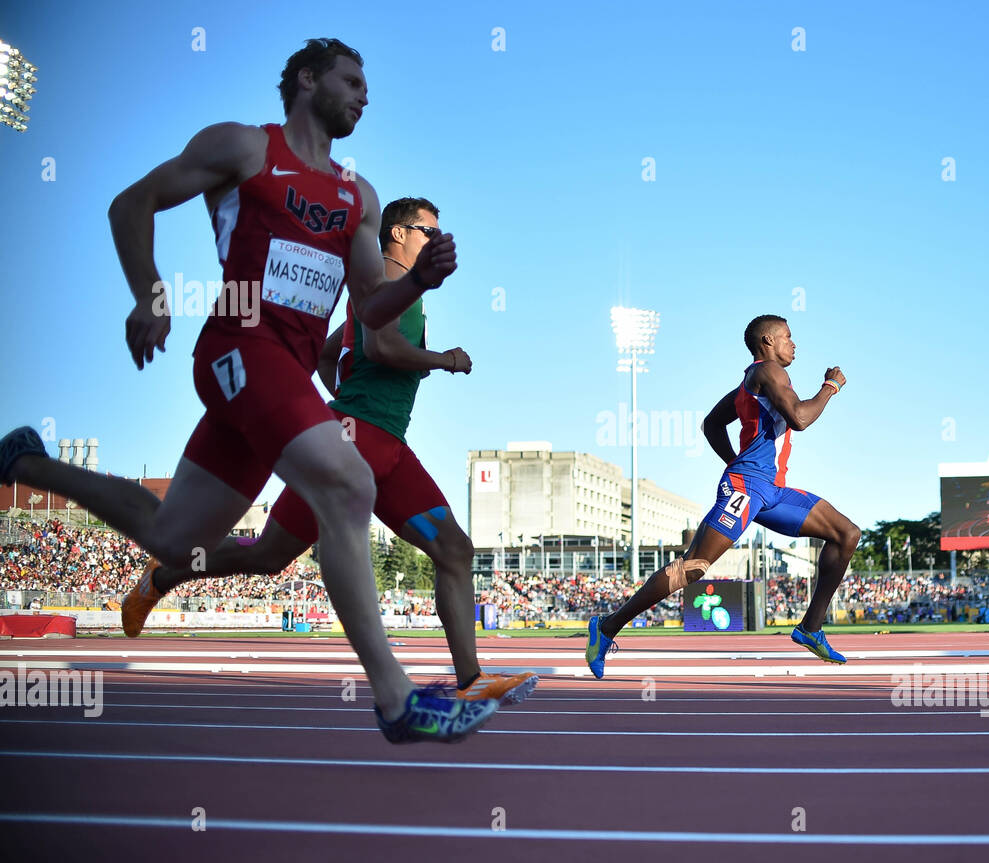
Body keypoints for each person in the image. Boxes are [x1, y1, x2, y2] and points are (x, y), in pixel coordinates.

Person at [0, 39, 495, 743]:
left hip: (283, 376)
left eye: (368, 87)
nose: (364, 95)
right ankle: (395, 698)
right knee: (349, 482)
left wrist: (416, 282)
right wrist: (150, 294)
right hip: (237, 346)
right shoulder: (245, 148)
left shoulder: (359, 196)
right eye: (352, 80)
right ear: (306, 79)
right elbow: (130, 202)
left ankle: (25, 462)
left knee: (171, 537)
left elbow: (368, 307)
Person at [122, 200, 538, 706]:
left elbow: (328, 352)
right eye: (430, 232)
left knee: (454, 550)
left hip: (387, 447)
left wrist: (343, 393)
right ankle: (167, 572)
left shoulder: (392, 291)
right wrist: (445, 360)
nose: (438, 240)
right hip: (353, 444)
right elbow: (384, 349)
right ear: (399, 234)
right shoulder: (387, 285)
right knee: (269, 556)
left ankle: (471, 681)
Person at [584, 314, 860, 677]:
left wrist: (736, 460)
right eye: (788, 337)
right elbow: (800, 418)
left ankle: (810, 627)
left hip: (772, 491)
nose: (794, 344)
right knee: (694, 567)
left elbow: (712, 423)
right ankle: (606, 627)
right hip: (748, 487)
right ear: (767, 341)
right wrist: (830, 386)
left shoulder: (751, 383)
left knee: (847, 534)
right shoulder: (769, 373)